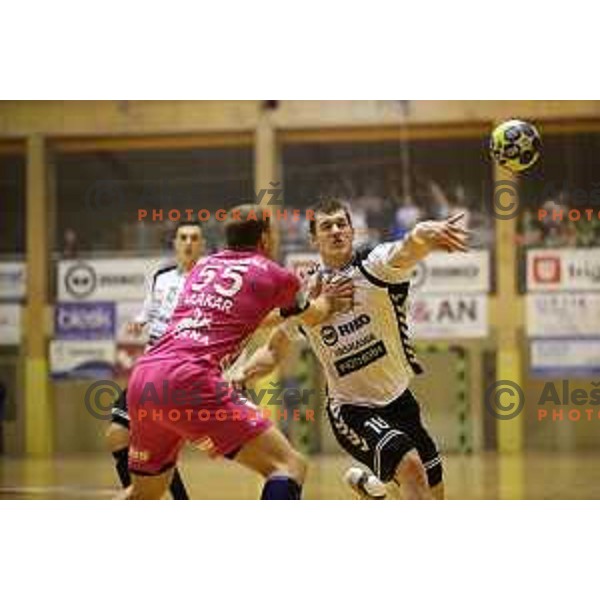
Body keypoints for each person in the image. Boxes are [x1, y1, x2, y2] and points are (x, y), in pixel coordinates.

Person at [233, 198, 468, 500]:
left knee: (433, 495)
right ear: (313, 238)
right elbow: (274, 349)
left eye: (341, 224)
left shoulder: (376, 266)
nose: (335, 231)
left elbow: (409, 247)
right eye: (326, 226)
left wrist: (423, 233)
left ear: (353, 231)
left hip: (400, 400)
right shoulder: (306, 295)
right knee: (410, 467)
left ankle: (376, 496)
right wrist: (243, 373)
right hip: (351, 409)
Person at [123, 204, 353, 500]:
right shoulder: (275, 275)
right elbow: (316, 314)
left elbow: (243, 317)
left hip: (144, 378)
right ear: (265, 238)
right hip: (188, 381)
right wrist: (327, 298)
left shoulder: (202, 268)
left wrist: (286, 315)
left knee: (145, 494)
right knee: (288, 465)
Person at [106, 221, 205, 499]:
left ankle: (148, 497)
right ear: (174, 243)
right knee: (117, 435)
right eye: (183, 237)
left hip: (179, 372)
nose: (188, 242)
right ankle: (141, 494)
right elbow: (149, 308)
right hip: (149, 369)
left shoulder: (209, 281)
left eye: (194, 238)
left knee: (158, 448)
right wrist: (138, 322)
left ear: (202, 244)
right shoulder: (161, 276)